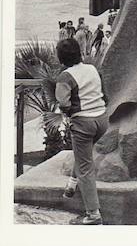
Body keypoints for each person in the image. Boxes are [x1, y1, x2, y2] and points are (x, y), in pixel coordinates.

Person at [56, 38, 108, 225]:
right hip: (102, 120)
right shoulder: (92, 69)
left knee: (86, 169)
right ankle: (71, 185)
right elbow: (104, 91)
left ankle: (93, 214)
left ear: (61, 58)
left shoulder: (65, 77)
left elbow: (63, 102)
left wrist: (68, 111)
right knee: (83, 155)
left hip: (83, 124)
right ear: (79, 53)